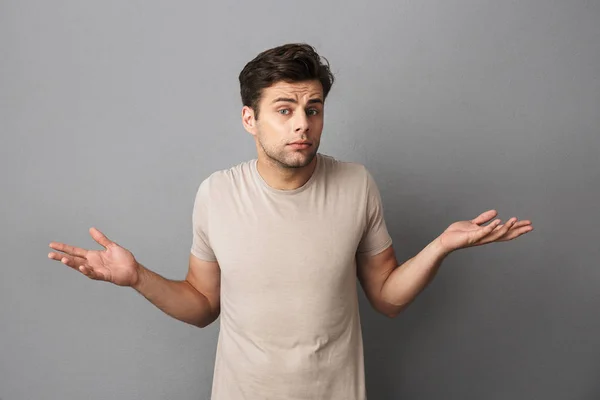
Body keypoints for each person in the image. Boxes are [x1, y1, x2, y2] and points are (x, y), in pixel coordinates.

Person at [48, 43, 534, 400]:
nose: (303, 122)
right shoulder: (216, 193)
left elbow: (386, 298)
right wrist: (137, 278)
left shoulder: (357, 184)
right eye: (284, 110)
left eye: (313, 108)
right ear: (249, 119)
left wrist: (439, 247)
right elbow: (201, 306)